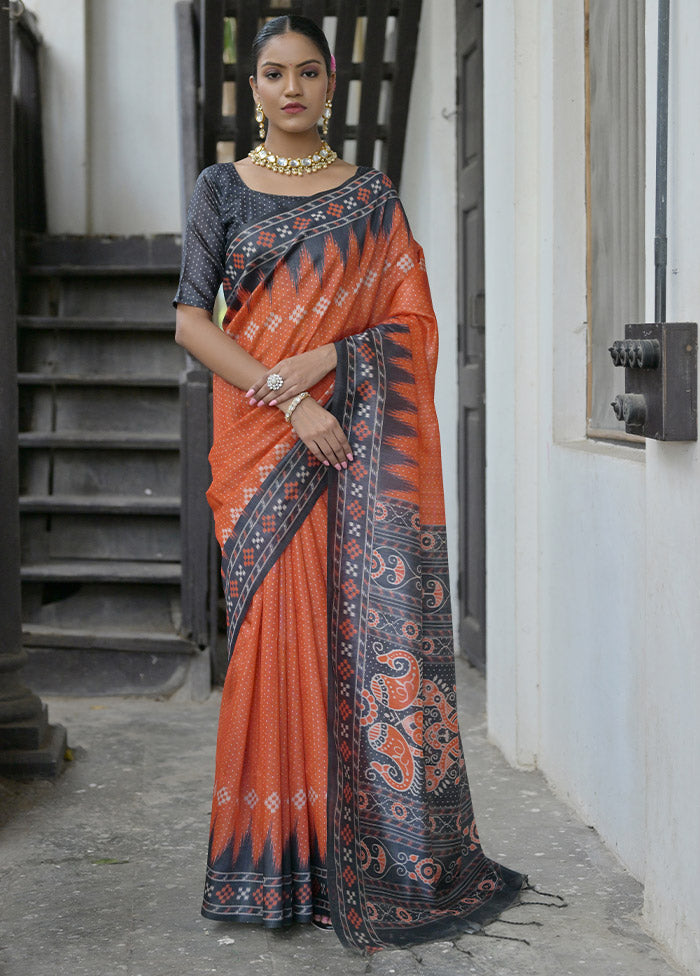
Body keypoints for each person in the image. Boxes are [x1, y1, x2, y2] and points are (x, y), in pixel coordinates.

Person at [174, 14, 524, 953]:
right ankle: (271, 861)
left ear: (331, 86)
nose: (292, 87)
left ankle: (356, 858)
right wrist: (290, 402)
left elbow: (408, 322)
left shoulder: (372, 199)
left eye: (309, 72)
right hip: (265, 444)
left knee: (355, 639)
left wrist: (335, 351)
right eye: (274, 73)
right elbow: (190, 323)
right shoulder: (222, 190)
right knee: (272, 642)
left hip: (358, 448)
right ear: (253, 89)